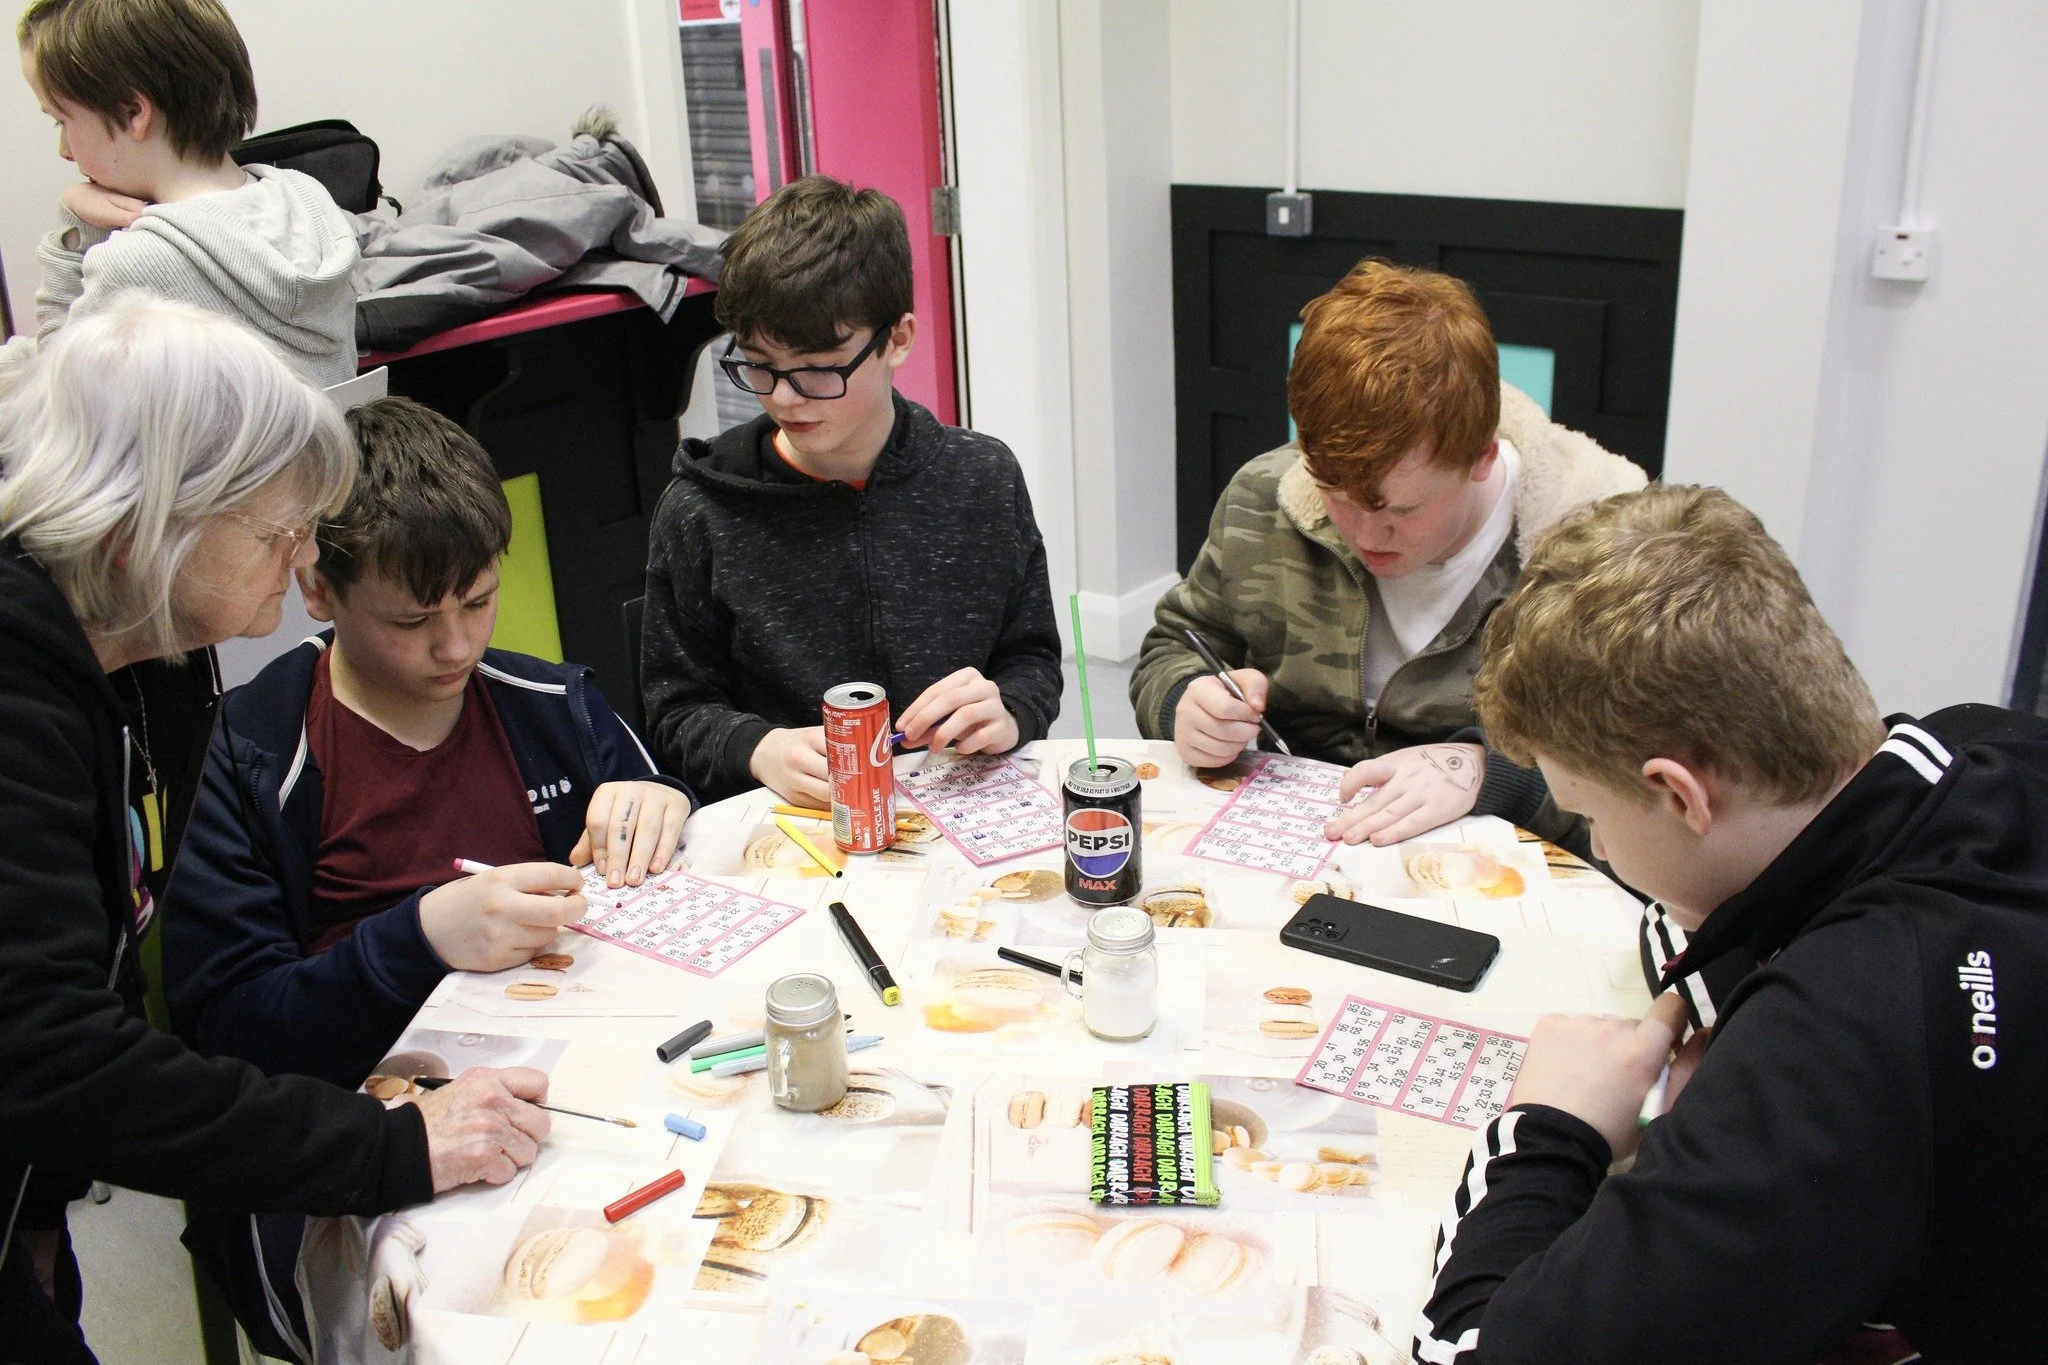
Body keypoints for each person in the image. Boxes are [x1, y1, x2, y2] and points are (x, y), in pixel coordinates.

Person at [0, 297, 550, 1364]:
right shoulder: (25, 694)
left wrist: (37, 1216)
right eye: (276, 531)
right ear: (147, 522)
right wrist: (389, 1148)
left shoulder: (137, 659)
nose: (301, 556)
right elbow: (53, 1054)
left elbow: (91, 960)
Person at [1415, 484, 2048, 1363]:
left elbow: (1474, 1350)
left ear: (1679, 792)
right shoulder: (1984, 742)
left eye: (1591, 819)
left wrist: (1551, 1126)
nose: (1597, 841)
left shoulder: (1832, 1050)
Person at [160, 393, 691, 1355]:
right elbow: (223, 1030)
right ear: (318, 589)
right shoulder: (255, 752)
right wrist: (413, 940)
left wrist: (663, 804)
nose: (456, 647)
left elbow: (664, 854)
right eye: (413, 619)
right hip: (346, 1138)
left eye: (479, 601)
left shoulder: (547, 705)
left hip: (574, 1096)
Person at [1130, 259, 1643, 851]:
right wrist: (1183, 702)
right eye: (1338, 497)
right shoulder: (1263, 499)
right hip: (1287, 846)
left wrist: (1490, 773)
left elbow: (1639, 792)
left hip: (1487, 867)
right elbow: (1173, 646)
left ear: (1482, 455)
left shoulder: (1598, 558)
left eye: (1401, 510)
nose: (1365, 534)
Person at [641, 174, 1062, 805]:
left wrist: (1011, 710)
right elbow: (674, 713)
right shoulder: (702, 510)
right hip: (795, 833)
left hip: (959, 811)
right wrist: (757, 747)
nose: (783, 397)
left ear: (897, 340)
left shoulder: (983, 480)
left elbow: (1033, 661)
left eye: (815, 368)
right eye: (757, 364)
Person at [15, 0, 358, 385]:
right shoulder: (307, 198)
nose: (64, 150)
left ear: (133, 112)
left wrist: (76, 225)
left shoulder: (137, 263)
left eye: (62, 120)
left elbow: (57, 389)